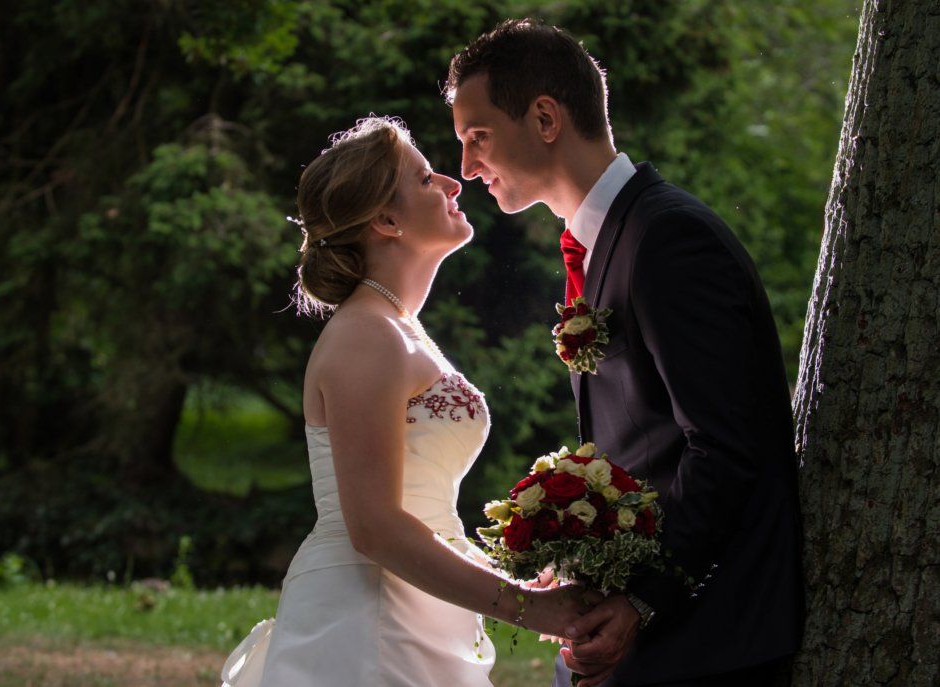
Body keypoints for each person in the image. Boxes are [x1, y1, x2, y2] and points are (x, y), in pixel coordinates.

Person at [445, 19, 805, 687]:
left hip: (705, 642)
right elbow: (643, 444)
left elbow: (725, 449)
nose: (467, 167)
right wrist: (586, 557)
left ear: (545, 117)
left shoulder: (669, 241)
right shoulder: (606, 239)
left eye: (478, 136)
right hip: (643, 635)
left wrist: (642, 599)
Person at [219, 116, 589, 687]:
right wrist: (528, 607)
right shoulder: (365, 334)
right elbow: (376, 527)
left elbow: (420, 515)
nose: (451, 183)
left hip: (416, 607)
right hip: (367, 620)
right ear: (386, 221)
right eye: (424, 179)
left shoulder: (396, 327)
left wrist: (513, 576)